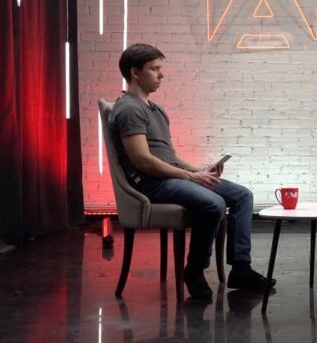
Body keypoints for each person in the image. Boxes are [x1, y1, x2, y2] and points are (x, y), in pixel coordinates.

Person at [108, 43, 275, 300]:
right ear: (135, 73)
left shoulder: (155, 110)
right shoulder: (129, 109)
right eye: (154, 69)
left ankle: (241, 268)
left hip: (169, 176)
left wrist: (199, 170)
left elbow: (169, 156)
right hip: (151, 182)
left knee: (242, 195)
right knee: (214, 203)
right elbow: (142, 160)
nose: (161, 75)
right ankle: (194, 270)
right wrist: (191, 177)